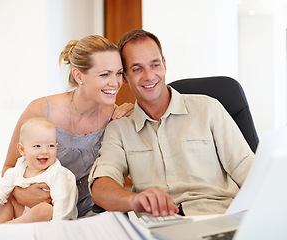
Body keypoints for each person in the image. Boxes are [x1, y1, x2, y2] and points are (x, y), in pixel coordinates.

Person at [88, 29, 255, 217]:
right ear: (125, 77)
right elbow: (101, 186)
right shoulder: (120, 128)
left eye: (155, 65)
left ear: (164, 65)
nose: (149, 76)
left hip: (217, 218)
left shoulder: (208, 108)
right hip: (160, 227)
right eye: (137, 69)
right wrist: (134, 201)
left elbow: (247, 169)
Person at [1, 35, 134, 218]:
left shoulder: (116, 116)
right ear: (79, 75)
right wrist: (19, 192)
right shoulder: (40, 110)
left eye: (118, 73)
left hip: (90, 210)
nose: (115, 83)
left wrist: (137, 113)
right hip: (40, 210)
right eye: (105, 74)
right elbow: (9, 166)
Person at [0, 117, 77, 225]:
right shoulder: (17, 170)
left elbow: (63, 203)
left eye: (51, 146)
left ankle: (9, 225)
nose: (45, 151)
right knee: (8, 198)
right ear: (22, 150)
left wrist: (58, 225)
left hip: (47, 219)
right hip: (21, 214)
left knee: (46, 209)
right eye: (37, 146)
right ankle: (1, 221)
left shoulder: (58, 173)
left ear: (56, 147)